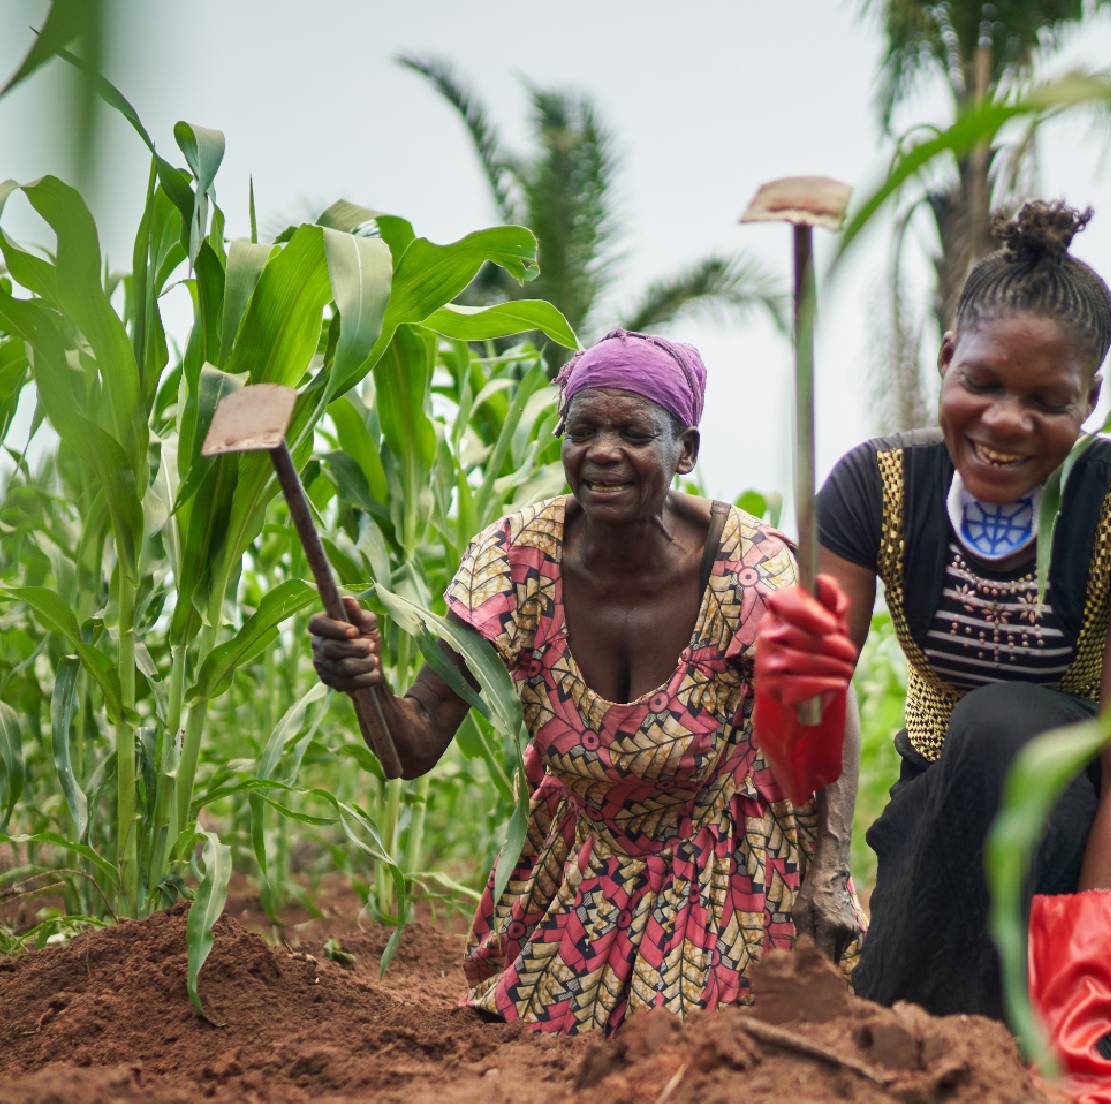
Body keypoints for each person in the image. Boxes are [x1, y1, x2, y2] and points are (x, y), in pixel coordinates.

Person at [754, 201, 1111, 1104]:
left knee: (999, 724)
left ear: (1091, 397)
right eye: (979, 383)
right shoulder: (875, 487)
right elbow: (800, 745)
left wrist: (1077, 1009)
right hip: (947, 772)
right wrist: (791, 690)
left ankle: (1074, 1040)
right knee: (945, 827)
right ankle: (970, 1045)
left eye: (1046, 401)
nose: (1004, 422)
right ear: (944, 356)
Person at [310, 329, 859, 1034]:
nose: (602, 451)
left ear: (685, 451)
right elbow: (408, 749)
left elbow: (829, 712)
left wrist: (829, 877)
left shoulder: (753, 571)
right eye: (583, 429)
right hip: (586, 861)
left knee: (721, 1040)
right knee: (525, 1032)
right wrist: (365, 682)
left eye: (633, 432)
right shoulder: (512, 562)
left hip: (732, 860)